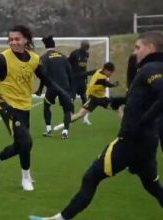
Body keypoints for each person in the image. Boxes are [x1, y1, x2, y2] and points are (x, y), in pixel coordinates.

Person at [30, 31, 163, 220]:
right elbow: (148, 97)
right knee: (152, 186)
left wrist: (142, 122)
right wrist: (120, 101)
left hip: (130, 142)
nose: (136, 52)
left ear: (150, 48)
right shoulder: (153, 68)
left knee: (91, 177)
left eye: (138, 47)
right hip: (148, 143)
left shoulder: (152, 69)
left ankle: (60, 219)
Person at [0, 25, 72, 191]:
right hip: (8, 107)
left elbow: (47, 79)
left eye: (17, 39)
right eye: (10, 39)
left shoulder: (34, 59)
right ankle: (26, 178)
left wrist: (64, 93)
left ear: (26, 40)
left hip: (25, 106)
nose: (13, 42)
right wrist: (3, 104)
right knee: (27, 141)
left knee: (21, 144)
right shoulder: (2, 59)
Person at [53, 62, 119, 131]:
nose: (111, 74)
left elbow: (88, 73)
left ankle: (126, 125)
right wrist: (115, 84)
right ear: (106, 70)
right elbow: (109, 84)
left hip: (102, 98)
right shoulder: (101, 78)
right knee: (80, 115)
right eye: (110, 72)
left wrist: (79, 75)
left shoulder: (98, 71)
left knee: (117, 107)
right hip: (93, 98)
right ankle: (63, 124)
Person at [36, 36, 74, 139]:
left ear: (45, 46)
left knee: (47, 106)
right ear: (54, 45)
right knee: (66, 109)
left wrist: (40, 90)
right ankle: (65, 131)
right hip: (64, 87)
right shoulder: (63, 56)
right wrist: (71, 90)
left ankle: (49, 129)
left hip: (52, 87)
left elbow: (43, 76)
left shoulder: (43, 58)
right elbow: (70, 74)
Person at [69, 40, 92, 125]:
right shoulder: (74, 54)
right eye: (85, 47)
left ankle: (85, 118)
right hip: (74, 80)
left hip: (82, 80)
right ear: (82, 46)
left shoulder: (86, 54)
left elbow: (84, 68)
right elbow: (68, 64)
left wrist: (86, 78)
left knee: (85, 99)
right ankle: (70, 118)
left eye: (87, 47)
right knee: (72, 99)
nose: (86, 48)